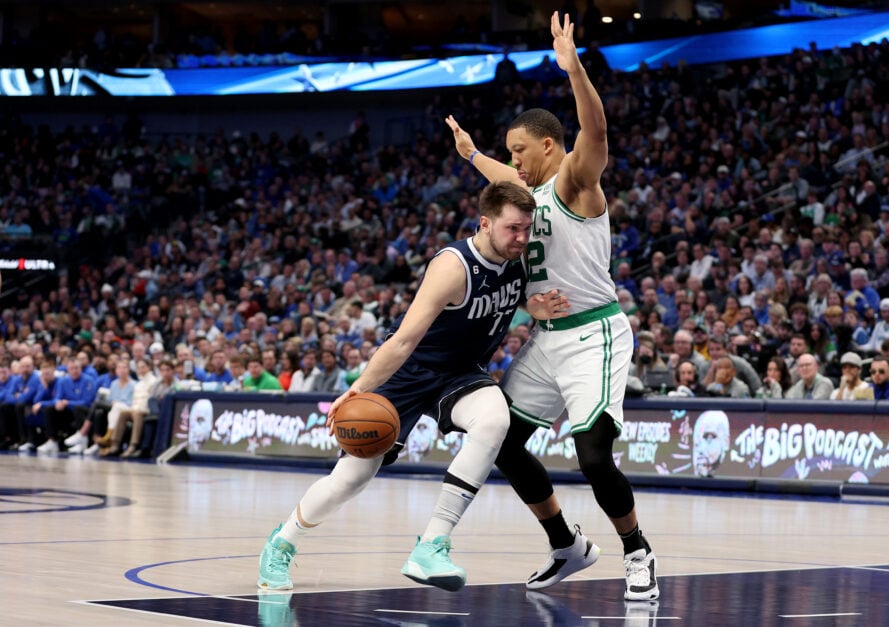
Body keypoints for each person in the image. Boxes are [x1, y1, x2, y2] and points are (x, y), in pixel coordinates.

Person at [445, 12, 658, 601]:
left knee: (592, 455)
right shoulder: (529, 191)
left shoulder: (574, 181)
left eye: (519, 151)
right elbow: (501, 177)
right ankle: (566, 543)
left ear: (547, 144)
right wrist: (471, 155)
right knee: (502, 440)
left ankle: (637, 549)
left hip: (595, 332)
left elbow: (596, 132)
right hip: (547, 338)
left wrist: (574, 70)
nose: (512, 161)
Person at [257, 182, 548, 593]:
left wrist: (531, 306)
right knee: (350, 480)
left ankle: (432, 544)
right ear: (485, 224)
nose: (521, 238)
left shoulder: (519, 260)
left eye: (526, 229)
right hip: (408, 372)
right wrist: (357, 390)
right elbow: (403, 341)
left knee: (494, 419)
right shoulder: (452, 266)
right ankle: (282, 541)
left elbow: (506, 296)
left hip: (461, 373)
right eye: (513, 229)